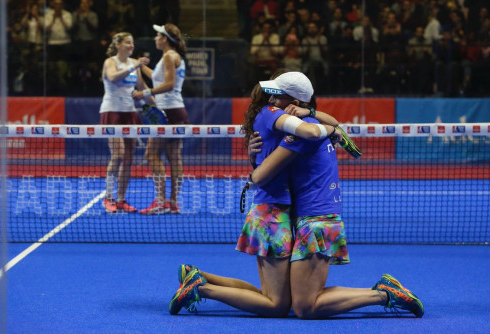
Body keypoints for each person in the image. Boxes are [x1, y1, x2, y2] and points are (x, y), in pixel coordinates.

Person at [168, 72, 340, 316]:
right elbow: (266, 170)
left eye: (278, 94)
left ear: (296, 102)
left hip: (274, 211)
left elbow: (313, 129)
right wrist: (333, 129)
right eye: (272, 92)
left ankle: (198, 277)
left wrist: (320, 121)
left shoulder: (280, 119)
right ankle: (201, 289)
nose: (272, 97)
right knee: (277, 305)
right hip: (272, 214)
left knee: (269, 295)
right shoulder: (279, 118)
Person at [246, 86, 425, 319]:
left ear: (295, 102)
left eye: (278, 97)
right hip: (309, 216)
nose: (270, 102)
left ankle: (384, 295)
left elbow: (263, 175)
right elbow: (328, 125)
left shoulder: (304, 133)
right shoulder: (312, 127)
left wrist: (253, 174)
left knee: (303, 306)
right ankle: (383, 292)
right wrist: (254, 155)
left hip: (317, 220)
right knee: (293, 299)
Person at [134, 24, 188, 215]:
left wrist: (144, 93)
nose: (155, 38)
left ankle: (161, 201)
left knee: (150, 154)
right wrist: (140, 67)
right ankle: (172, 203)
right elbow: (159, 79)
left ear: (165, 38)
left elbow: (169, 85)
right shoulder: (172, 56)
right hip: (177, 111)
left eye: (158, 35)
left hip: (167, 113)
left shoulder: (168, 56)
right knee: (174, 157)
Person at [99, 32, 151, 214]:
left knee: (128, 157)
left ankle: (120, 199)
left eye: (133, 42)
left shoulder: (134, 65)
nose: (131, 45)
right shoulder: (110, 62)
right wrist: (134, 66)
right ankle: (108, 197)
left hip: (130, 113)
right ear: (118, 45)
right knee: (118, 154)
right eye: (128, 42)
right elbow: (112, 77)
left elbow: (142, 88)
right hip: (111, 111)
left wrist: (159, 106)